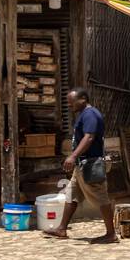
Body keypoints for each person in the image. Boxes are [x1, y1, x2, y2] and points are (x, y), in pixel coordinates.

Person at [47, 88, 116, 243]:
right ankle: (61, 229)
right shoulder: (83, 115)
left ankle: (111, 234)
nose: (69, 105)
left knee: (101, 197)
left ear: (83, 99)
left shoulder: (91, 114)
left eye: (72, 101)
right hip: (81, 166)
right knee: (71, 195)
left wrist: (72, 156)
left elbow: (89, 137)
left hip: (90, 165)